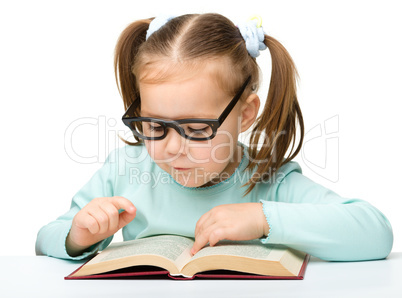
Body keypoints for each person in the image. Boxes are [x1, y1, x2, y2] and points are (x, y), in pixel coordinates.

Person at [36, 13, 393, 261]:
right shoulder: (122, 171)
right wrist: (78, 236)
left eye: (196, 130)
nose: (173, 148)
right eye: (155, 127)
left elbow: (375, 233)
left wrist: (263, 218)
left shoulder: (269, 181)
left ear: (246, 113)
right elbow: (45, 239)